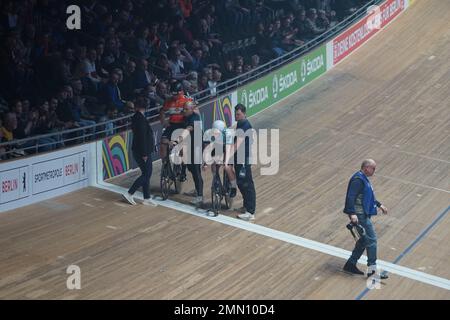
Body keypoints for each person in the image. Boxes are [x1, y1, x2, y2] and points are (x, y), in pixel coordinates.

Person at [343, 159, 388, 278]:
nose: (374, 171)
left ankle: (350, 264)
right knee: (372, 240)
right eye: (373, 168)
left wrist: (379, 205)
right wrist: (352, 213)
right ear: (366, 168)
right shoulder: (358, 180)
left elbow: (367, 195)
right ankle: (372, 270)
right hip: (359, 215)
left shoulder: (362, 178)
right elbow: (350, 197)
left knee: (363, 241)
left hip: (361, 213)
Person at [122, 97, 158, 207]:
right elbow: (142, 137)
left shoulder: (137, 117)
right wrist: (144, 154)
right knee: (147, 174)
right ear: (144, 107)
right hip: (142, 151)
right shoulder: (140, 119)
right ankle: (129, 193)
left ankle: (147, 197)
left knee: (146, 173)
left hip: (141, 150)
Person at [159, 81, 192, 181]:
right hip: (172, 125)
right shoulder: (168, 101)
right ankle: (166, 165)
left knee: (183, 149)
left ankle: (183, 172)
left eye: (175, 94)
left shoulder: (186, 100)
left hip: (182, 125)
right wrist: (163, 121)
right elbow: (162, 111)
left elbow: (193, 113)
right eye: (172, 94)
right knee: (163, 144)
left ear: (180, 92)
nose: (173, 97)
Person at [234, 104, 256, 221]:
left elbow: (237, 144)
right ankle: (246, 206)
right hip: (240, 158)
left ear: (244, 113)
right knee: (241, 183)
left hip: (243, 159)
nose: (236, 116)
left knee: (247, 184)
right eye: (235, 114)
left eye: (238, 114)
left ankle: (250, 212)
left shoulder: (245, 125)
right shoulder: (240, 123)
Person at [180, 100, 204, 206]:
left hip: (197, 146)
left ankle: (200, 196)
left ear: (191, 109)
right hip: (190, 146)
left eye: (186, 109)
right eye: (183, 108)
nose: (184, 111)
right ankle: (197, 190)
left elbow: (189, 128)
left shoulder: (195, 118)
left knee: (196, 171)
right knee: (192, 170)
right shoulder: (186, 116)